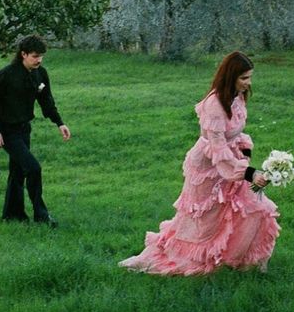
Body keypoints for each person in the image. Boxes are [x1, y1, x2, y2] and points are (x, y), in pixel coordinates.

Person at [119, 51, 279, 275]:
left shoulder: (238, 97)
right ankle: (192, 260)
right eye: (244, 78)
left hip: (234, 163)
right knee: (203, 224)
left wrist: (246, 155)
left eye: (250, 77)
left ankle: (237, 262)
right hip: (209, 167)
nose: (248, 83)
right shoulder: (214, 104)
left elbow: (236, 135)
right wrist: (250, 173)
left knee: (255, 207)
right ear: (230, 76)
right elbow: (218, 149)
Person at [0, 35, 70, 226]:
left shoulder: (40, 74)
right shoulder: (6, 75)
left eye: (41, 56)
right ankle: (41, 216)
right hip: (7, 131)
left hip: (24, 129)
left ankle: (12, 216)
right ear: (23, 54)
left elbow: (46, 101)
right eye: (35, 56)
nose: (39, 60)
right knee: (33, 168)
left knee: (17, 172)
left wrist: (60, 123)